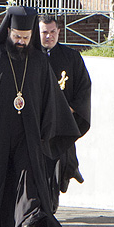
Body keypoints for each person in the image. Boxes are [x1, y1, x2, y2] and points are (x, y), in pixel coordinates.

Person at [0, 6, 80, 227]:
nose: (22, 42)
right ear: (9, 33)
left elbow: (51, 99)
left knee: (29, 176)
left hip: (29, 132)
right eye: (17, 37)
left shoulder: (39, 61)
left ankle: (28, 221)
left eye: (26, 37)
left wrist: (48, 129)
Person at [39, 14, 91, 212]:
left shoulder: (71, 57)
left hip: (61, 121)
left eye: (53, 32)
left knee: (56, 162)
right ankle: (71, 167)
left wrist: (70, 108)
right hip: (37, 122)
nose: (49, 36)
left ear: (59, 32)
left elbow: (84, 88)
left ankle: (51, 204)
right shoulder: (30, 57)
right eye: (44, 32)